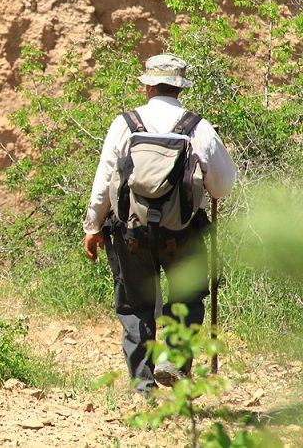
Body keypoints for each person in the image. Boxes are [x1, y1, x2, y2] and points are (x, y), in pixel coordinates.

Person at [82, 54, 236, 393]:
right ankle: (174, 361)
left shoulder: (125, 123)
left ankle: (143, 389)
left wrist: (93, 227)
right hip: (182, 233)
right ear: (180, 88)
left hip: (131, 233)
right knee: (188, 297)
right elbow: (221, 187)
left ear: (149, 85)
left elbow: (104, 181)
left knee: (136, 305)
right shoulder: (197, 127)